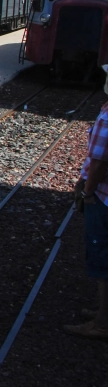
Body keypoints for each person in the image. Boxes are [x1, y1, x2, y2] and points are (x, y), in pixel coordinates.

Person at [67, 65, 108, 341]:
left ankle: (102, 324)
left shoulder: (107, 116)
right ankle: (103, 313)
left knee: (102, 258)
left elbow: (100, 161)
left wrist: (88, 191)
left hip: (104, 198)